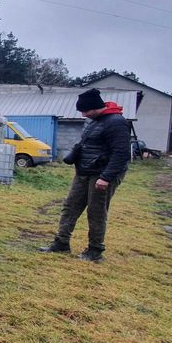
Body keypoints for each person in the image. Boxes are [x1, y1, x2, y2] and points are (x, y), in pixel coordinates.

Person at [38, 88, 131, 262]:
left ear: (95, 107)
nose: (83, 114)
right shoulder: (93, 122)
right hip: (84, 171)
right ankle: (61, 243)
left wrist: (106, 177)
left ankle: (95, 251)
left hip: (102, 174)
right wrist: (74, 155)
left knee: (96, 212)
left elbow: (121, 153)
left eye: (85, 111)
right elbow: (85, 143)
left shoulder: (116, 122)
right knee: (70, 207)